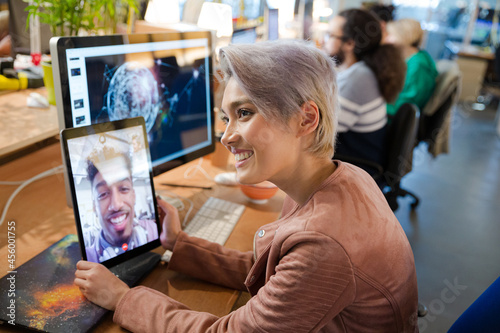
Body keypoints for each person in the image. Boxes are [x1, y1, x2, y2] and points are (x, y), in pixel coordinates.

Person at [74, 39, 418, 332]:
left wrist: (122, 298)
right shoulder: (340, 177)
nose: (226, 137)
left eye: (245, 113)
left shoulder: (324, 245)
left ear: (306, 119)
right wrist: (179, 244)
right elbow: (272, 272)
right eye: (226, 117)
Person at [323, 8, 406, 174]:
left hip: (358, 168)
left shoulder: (358, 78)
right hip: (360, 155)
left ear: (350, 43)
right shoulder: (361, 70)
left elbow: (323, 132)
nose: (323, 41)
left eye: (330, 35)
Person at [84, 148, 158, 263]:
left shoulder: (154, 231)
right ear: (94, 207)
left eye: (124, 189)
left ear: (133, 196)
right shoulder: (88, 260)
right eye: (103, 194)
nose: (116, 205)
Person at [386, 18, 438, 118]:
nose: (387, 40)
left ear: (404, 36)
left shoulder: (419, 65)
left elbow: (405, 106)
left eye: (391, 35)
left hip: (395, 120)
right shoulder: (414, 58)